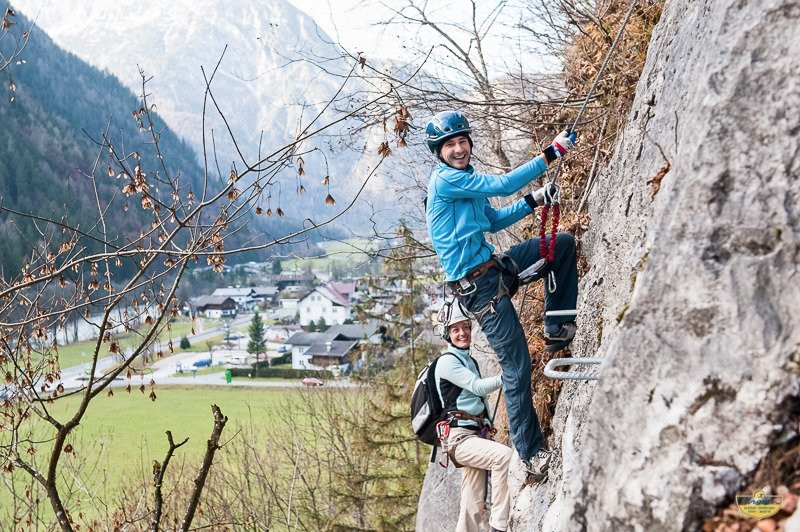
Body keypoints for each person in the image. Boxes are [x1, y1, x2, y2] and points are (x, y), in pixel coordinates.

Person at [425, 110, 580, 480]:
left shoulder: (463, 182)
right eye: (450, 145)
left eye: (462, 141)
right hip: (480, 290)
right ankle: (529, 454)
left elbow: (493, 221)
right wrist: (551, 153)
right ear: (439, 152)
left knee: (559, 246)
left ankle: (557, 327)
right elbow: (504, 184)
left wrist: (536, 199)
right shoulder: (446, 181)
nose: (459, 149)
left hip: (493, 271)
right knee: (516, 367)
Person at [436, 300, 510, 532]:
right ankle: (499, 525)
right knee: (503, 457)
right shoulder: (447, 362)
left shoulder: (469, 360)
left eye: (465, 327)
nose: (462, 333)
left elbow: (476, 400)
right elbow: (477, 387)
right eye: (455, 329)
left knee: (471, 505)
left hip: (474, 435)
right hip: (460, 439)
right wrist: (508, 376)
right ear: (447, 335)